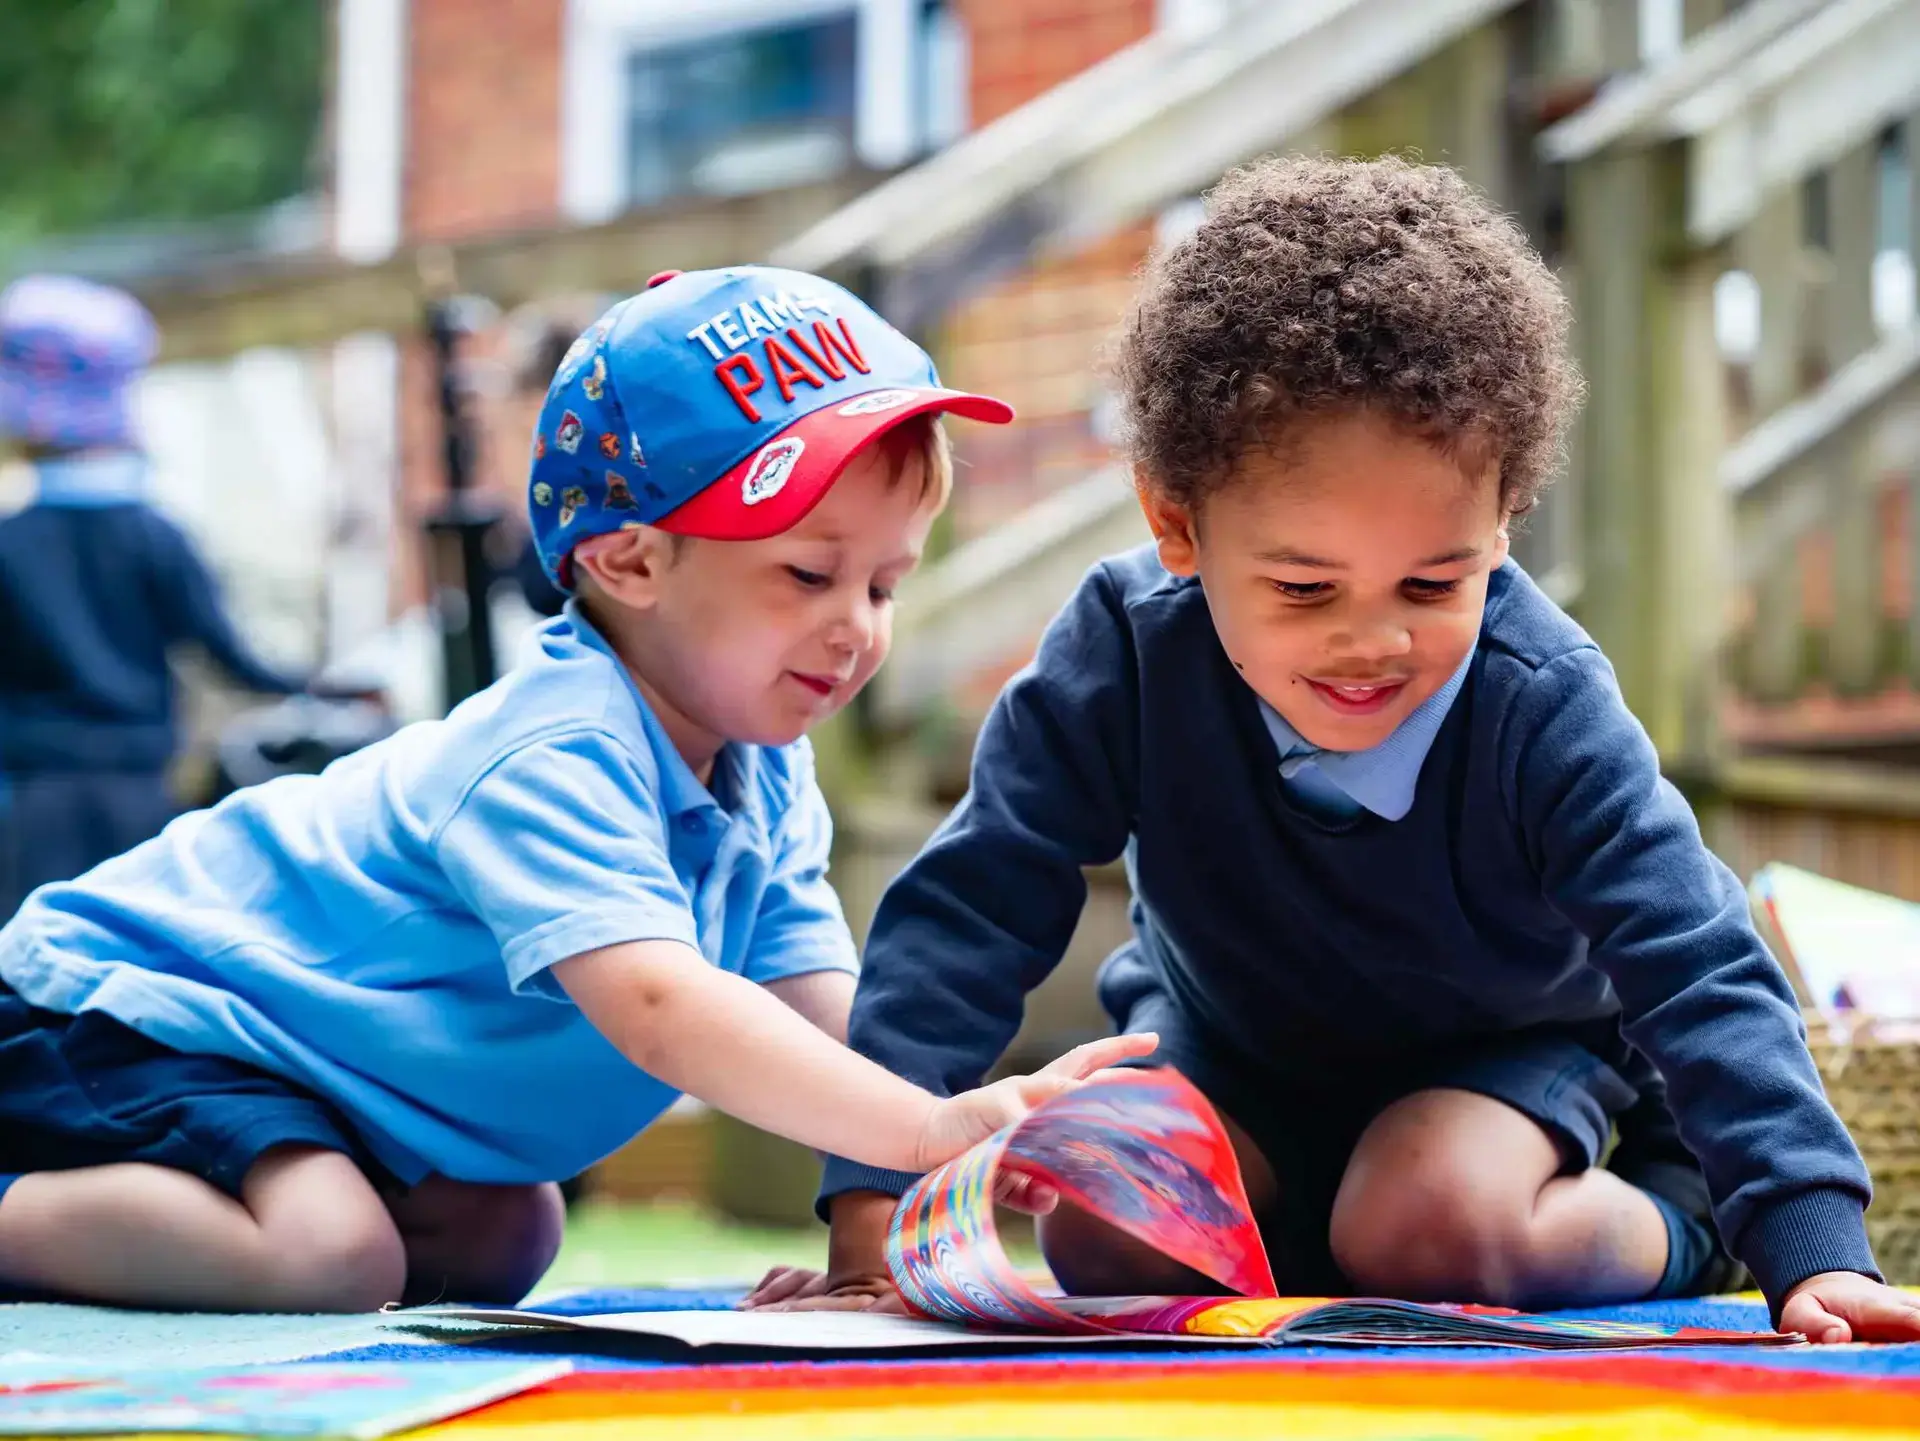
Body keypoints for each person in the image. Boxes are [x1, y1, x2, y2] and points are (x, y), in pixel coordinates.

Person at [748, 157, 1920, 1345]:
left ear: (1504, 518)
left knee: (1428, 1216)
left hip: (1495, 1076)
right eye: (1304, 587)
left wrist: (1808, 1243)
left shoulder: (1542, 698)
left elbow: (1695, 954)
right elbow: (972, 906)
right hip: (1231, 1051)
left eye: (1435, 578)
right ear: (1176, 523)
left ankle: (1678, 1223)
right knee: (1101, 1225)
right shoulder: (1124, 649)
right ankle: (1308, 1253)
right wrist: (869, 1213)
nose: (1375, 638)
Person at [0, 264, 1150, 1313]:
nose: (855, 628)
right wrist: (919, 1127)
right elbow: (662, 1007)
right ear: (630, 560)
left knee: (506, 1233)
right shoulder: (551, 752)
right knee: (328, 1258)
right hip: (133, 1016)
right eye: (808, 573)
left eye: (886, 585)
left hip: (320, 1086)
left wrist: (931, 1171)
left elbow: (826, 1013)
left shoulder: (764, 763)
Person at [0, 275, 304, 918]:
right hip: (138, 784)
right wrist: (318, 687)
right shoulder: (155, 534)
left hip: (30, 793)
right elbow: (228, 655)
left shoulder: (12, 541)